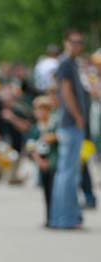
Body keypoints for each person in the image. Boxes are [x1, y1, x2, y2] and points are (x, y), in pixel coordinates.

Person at [49, 29, 87, 229]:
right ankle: (65, 218)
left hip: (69, 124)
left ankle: (67, 217)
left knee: (69, 173)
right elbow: (65, 92)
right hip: (71, 124)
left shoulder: (71, 64)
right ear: (66, 42)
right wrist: (78, 116)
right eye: (74, 41)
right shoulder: (65, 63)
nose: (77, 45)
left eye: (80, 42)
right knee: (68, 174)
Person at [26, 96, 58, 225]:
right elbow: (31, 147)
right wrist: (39, 161)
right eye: (39, 110)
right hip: (42, 161)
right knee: (46, 190)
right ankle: (49, 217)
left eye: (45, 110)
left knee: (55, 190)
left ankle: (55, 216)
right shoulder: (36, 129)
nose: (42, 113)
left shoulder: (53, 126)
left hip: (53, 161)